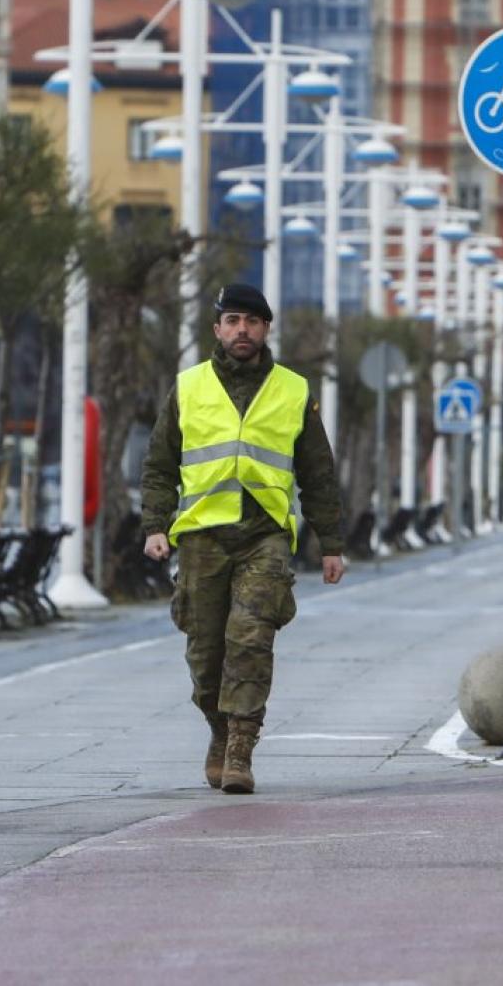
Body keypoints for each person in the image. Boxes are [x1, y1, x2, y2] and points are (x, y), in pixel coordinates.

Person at [140, 284, 347, 794]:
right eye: (232, 321)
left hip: (265, 537)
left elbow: (317, 474)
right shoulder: (188, 388)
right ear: (217, 329)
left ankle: (240, 747)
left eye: (251, 322)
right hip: (202, 538)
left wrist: (331, 543)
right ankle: (218, 726)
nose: (241, 330)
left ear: (266, 330)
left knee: (251, 641)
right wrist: (154, 526)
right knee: (205, 656)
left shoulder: (294, 391)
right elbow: (160, 466)